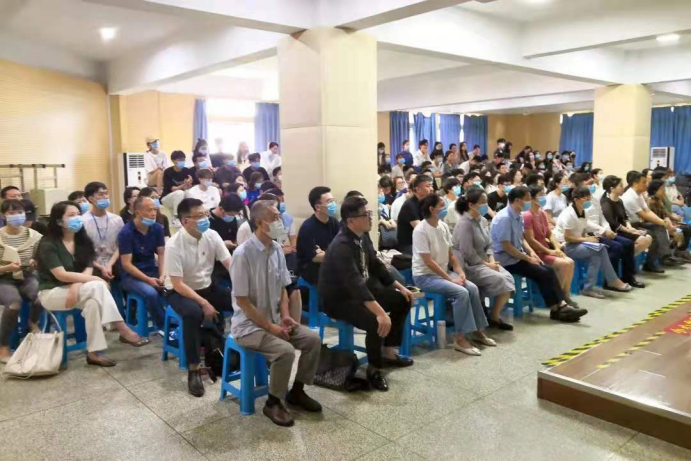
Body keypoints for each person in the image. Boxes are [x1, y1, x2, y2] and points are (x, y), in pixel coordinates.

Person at [231, 200, 322, 427]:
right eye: (274, 217)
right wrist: (270, 327)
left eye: (279, 216)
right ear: (260, 223)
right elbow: (242, 301)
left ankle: (297, 391)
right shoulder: (243, 254)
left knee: (312, 339)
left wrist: (285, 316)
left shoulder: (276, 250)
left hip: (275, 320)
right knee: (285, 351)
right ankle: (273, 402)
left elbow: (283, 287)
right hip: (248, 326)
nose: (279, 221)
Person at [36, 201, 148, 367]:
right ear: (59, 221)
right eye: (71, 215)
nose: (77, 218)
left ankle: (93, 353)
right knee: (98, 285)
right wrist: (95, 279)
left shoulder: (82, 239)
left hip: (78, 289)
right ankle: (122, 328)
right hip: (52, 292)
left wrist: (77, 284)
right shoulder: (48, 244)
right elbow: (61, 274)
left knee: (93, 304)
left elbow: (88, 266)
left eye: (78, 214)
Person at [320, 196, 414, 390]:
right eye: (366, 215)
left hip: (359, 292)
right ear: (351, 221)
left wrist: (400, 286)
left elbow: (376, 265)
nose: (371, 218)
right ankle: (374, 369)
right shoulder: (341, 246)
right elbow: (355, 284)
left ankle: (388, 352)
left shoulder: (362, 236)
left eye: (370, 213)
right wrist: (380, 313)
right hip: (340, 300)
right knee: (375, 321)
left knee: (402, 300)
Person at [164, 198, 233, 397]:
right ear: (185, 221)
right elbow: (178, 284)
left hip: (207, 287)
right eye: (200, 216)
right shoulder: (174, 245)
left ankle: (243, 351)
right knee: (193, 313)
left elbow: (230, 263)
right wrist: (204, 303)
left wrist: (244, 288)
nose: (205, 219)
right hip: (180, 291)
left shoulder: (212, 235)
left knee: (240, 301)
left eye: (206, 214)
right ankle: (193, 369)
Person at [490, 187, 587, 322]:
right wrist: (527, 258)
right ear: (517, 200)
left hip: (517, 256)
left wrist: (531, 252)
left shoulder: (517, 215)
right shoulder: (504, 218)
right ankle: (558, 308)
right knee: (542, 273)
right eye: (527, 199)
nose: (529, 202)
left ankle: (560, 306)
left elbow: (521, 239)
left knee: (548, 270)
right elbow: (507, 246)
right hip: (506, 260)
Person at [413, 195, 494, 356]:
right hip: (425, 276)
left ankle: (477, 330)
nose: (445, 208)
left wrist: (460, 272)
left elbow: (451, 254)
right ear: (432, 209)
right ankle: (460, 338)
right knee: (461, 292)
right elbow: (428, 261)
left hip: (443, 273)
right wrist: (450, 279)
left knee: (472, 288)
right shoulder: (420, 230)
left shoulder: (442, 226)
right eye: (441, 205)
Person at [453, 190, 516, 331]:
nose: (486, 205)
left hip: (486, 263)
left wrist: (491, 261)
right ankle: (485, 314)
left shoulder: (482, 220)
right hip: (469, 266)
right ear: (471, 205)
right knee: (501, 279)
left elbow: (489, 244)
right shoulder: (464, 224)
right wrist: (487, 264)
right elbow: (467, 252)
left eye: (486, 202)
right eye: (483, 202)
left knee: (508, 278)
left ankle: (494, 316)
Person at [555, 186, 633, 299]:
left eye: (589, 197)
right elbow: (567, 238)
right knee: (601, 249)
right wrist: (586, 240)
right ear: (576, 199)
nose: (588, 200)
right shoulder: (569, 214)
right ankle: (613, 280)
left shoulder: (583, 212)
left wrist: (589, 237)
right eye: (585, 198)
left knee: (596, 256)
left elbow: (583, 230)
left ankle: (588, 289)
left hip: (577, 243)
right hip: (565, 246)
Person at [0, 200, 43, 363]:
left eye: (20, 212)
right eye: (11, 213)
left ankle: (32, 323)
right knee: (13, 304)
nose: (16, 216)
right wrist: (7, 267)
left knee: (41, 296)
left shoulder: (34, 236)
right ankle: (3, 347)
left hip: (27, 276)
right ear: (4, 215)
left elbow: (41, 258)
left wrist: (35, 262)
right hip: (3, 279)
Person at [118, 195, 167, 332]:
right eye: (149, 210)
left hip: (152, 269)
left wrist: (162, 275)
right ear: (138, 212)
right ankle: (165, 327)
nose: (153, 213)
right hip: (131, 276)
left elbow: (161, 254)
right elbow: (126, 264)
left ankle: (176, 321)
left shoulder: (157, 228)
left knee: (173, 286)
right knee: (151, 293)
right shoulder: (126, 232)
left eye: (155, 209)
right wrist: (148, 280)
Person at [523, 186, 577, 306]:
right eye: (540, 195)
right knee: (564, 264)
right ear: (532, 198)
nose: (543, 197)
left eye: (544, 194)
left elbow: (549, 233)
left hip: (547, 249)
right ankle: (558, 298)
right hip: (537, 252)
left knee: (570, 262)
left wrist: (557, 247)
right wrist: (549, 251)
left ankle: (565, 295)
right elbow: (531, 240)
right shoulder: (527, 216)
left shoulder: (542, 213)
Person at [622, 171, 681, 271]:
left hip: (638, 223)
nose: (646, 184)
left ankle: (664, 257)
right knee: (653, 234)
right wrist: (663, 222)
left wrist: (662, 222)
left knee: (659, 227)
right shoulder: (629, 197)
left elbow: (648, 211)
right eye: (643, 182)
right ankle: (652, 262)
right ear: (635, 184)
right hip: (630, 225)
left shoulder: (639, 195)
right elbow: (644, 215)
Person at [296, 187, 340, 286]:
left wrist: (325, 253)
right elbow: (315, 257)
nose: (333, 204)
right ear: (317, 207)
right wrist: (333, 254)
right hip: (313, 273)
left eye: (333, 200)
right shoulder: (307, 228)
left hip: (330, 267)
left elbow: (342, 247)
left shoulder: (334, 222)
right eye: (329, 202)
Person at [600, 176, 653, 257]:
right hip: (614, 232)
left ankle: (629, 257)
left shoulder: (620, 201)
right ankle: (626, 257)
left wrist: (630, 227)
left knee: (648, 237)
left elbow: (625, 217)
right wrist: (629, 231)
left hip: (624, 229)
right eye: (620, 186)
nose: (623, 188)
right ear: (612, 189)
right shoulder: (606, 203)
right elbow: (613, 223)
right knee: (642, 240)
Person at [83, 182, 124, 282]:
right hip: (92, 265)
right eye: (101, 194)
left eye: (106, 193)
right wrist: (101, 267)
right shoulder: (83, 221)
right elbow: (82, 250)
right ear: (91, 198)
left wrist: (109, 265)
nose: (105, 197)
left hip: (114, 263)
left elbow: (121, 245)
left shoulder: (117, 219)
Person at [648, 180, 691, 263]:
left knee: (687, 227)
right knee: (680, 231)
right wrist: (670, 225)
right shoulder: (651, 202)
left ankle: (681, 251)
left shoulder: (659, 200)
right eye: (661, 189)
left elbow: (665, 213)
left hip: (666, 222)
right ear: (655, 190)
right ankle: (669, 256)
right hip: (659, 224)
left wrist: (675, 219)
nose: (664, 190)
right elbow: (657, 218)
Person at [397, 175, 433, 254]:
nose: (431, 189)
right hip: (409, 245)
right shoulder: (409, 205)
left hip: (422, 241)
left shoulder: (426, 203)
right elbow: (420, 229)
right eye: (428, 186)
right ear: (418, 189)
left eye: (431, 186)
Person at [162, 151, 196, 226]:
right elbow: (173, 189)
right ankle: (176, 217)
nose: (182, 162)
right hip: (167, 198)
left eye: (183, 160)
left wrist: (189, 184)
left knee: (188, 193)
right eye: (180, 160)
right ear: (173, 161)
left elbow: (189, 187)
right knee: (179, 192)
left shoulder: (187, 171)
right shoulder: (168, 172)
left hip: (181, 196)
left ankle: (193, 214)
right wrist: (184, 184)